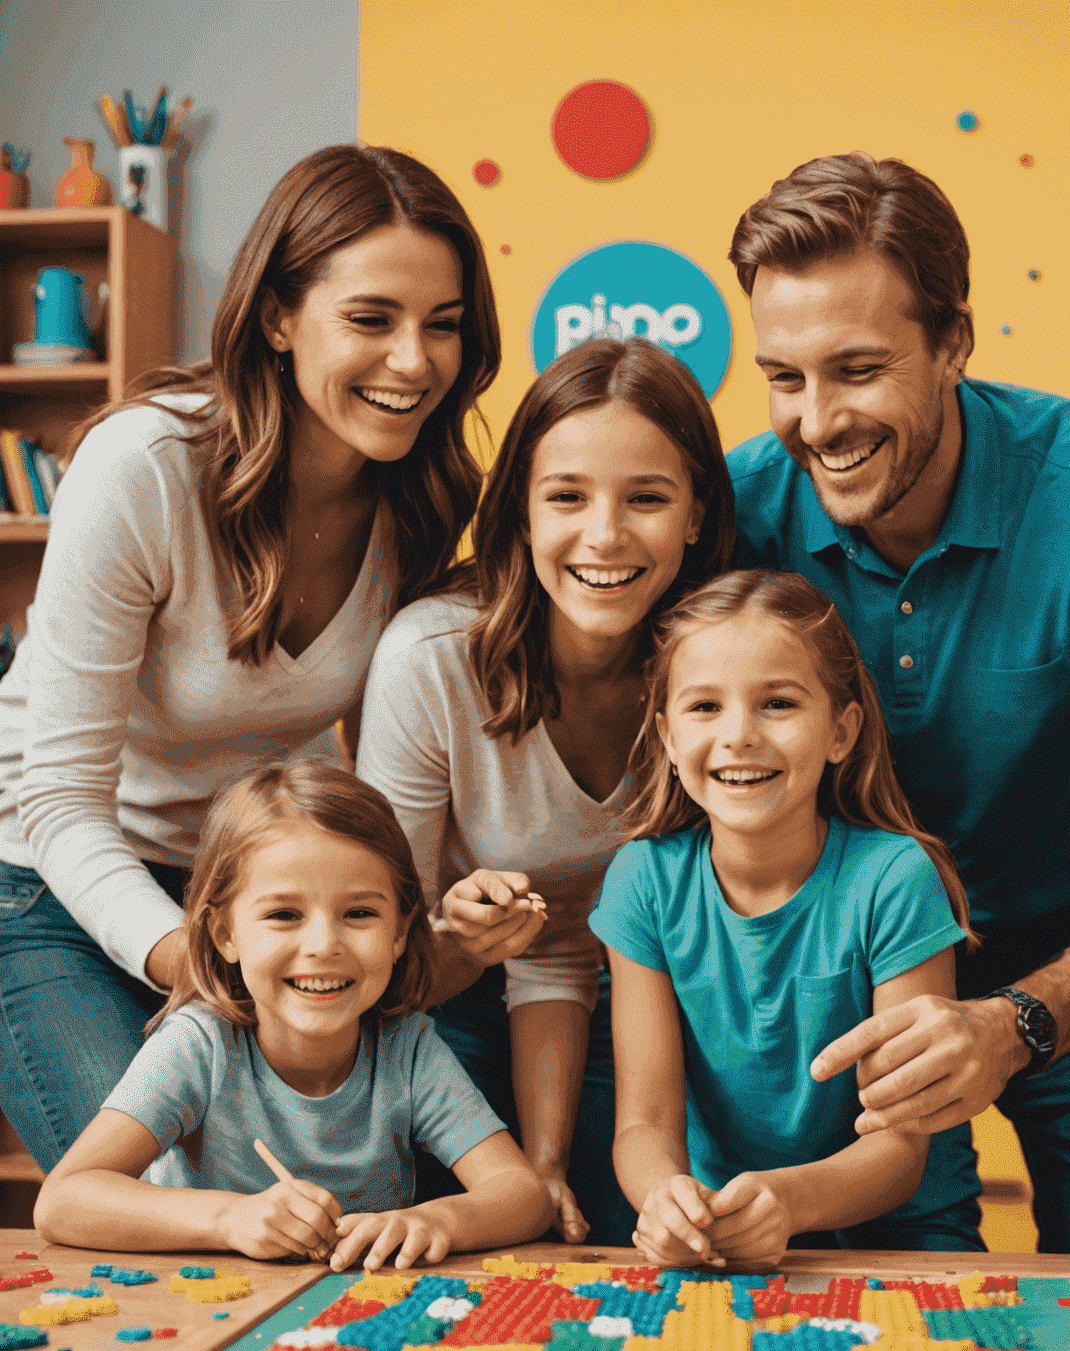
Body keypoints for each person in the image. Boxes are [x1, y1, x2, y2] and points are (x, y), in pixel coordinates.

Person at [724, 154, 1070, 1252]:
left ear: (953, 345)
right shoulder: (741, 508)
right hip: (842, 983)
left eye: (856, 370)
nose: (817, 421)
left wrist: (1018, 1022)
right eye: (784, 377)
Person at [0, 144, 499, 1173]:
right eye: (372, 319)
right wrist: (207, 965)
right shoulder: (145, 465)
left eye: (441, 326)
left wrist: (408, 927)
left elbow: (388, 765)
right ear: (277, 316)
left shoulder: (421, 496)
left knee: (364, 1177)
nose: (414, 362)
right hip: (43, 881)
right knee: (165, 1190)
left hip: (257, 894)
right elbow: (57, 801)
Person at [356, 338, 735, 1246]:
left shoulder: (722, 669)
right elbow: (386, 967)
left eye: (646, 497)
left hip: (650, 1010)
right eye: (566, 496)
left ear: (695, 515)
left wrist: (554, 1159)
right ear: (521, 515)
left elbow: (572, 952)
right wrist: (458, 940)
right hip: (446, 1006)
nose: (604, 535)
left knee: (650, 1242)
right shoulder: (430, 663)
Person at [592, 569, 982, 1268]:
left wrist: (789, 1203)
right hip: (722, 1237)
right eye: (705, 707)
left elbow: (899, 1150)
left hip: (903, 1236)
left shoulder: (894, 879)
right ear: (668, 740)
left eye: (777, 703)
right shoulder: (642, 882)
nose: (739, 735)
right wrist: (664, 1200)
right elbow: (644, 1123)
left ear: (840, 731)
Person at [34, 761, 552, 1272]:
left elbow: (524, 1195)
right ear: (225, 935)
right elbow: (62, 1201)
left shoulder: (408, 1049)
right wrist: (228, 1219)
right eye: (284, 915)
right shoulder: (198, 1044)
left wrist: (437, 1221)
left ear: (399, 932)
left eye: (359, 913)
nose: (324, 945)